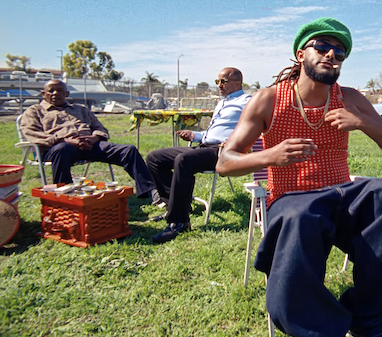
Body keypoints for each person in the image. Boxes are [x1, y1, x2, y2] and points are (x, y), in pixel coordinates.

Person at [217, 18, 382, 337]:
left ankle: (369, 327)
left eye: (340, 51)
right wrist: (270, 156)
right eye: (323, 46)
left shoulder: (348, 98)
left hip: (340, 193)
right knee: (300, 216)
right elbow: (225, 162)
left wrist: (363, 122)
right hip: (291, 200)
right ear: (301, 52)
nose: (332, 55)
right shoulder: (269, 99)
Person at [146, 67, 251, 243]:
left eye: (223, 81)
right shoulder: (222, 102)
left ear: (237, 83)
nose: (219, 85)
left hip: (223, 151)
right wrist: (195, 135)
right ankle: (176, 206)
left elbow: (254, 126)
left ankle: (179, 222)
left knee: (183, 160)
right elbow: (215, 131)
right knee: (154, 158)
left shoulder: (247, 101)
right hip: (204, 145)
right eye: (217, 81)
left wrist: (238, 143)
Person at [20, 79, 158, 201]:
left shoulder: (80, 109)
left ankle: (150, 191)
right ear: (43, 94)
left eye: (59, 90)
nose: (55, 93)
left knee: (128, 150)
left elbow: (100, 128)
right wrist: (66, 141)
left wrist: (94, 138)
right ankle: (65, 196)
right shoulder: (35, 111)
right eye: (51, 91)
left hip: (90, 145)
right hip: (59, 148)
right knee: (62, 149)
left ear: (66, 94)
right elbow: (31, 133)